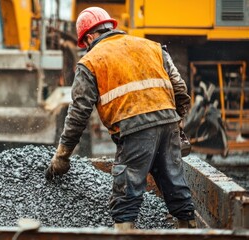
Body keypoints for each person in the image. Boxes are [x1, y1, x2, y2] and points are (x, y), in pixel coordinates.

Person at [45, 7, 196, 230]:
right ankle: (189, 229)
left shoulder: (91, 61)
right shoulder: (152, 47)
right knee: (174, 182)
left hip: (134, 129)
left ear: (89, 37)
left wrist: (62, 155)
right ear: (110, 27)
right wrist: (177, 122)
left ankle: (124, 232)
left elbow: (78, 113)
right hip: (168, 123)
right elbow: (180, 90)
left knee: (126, 193)